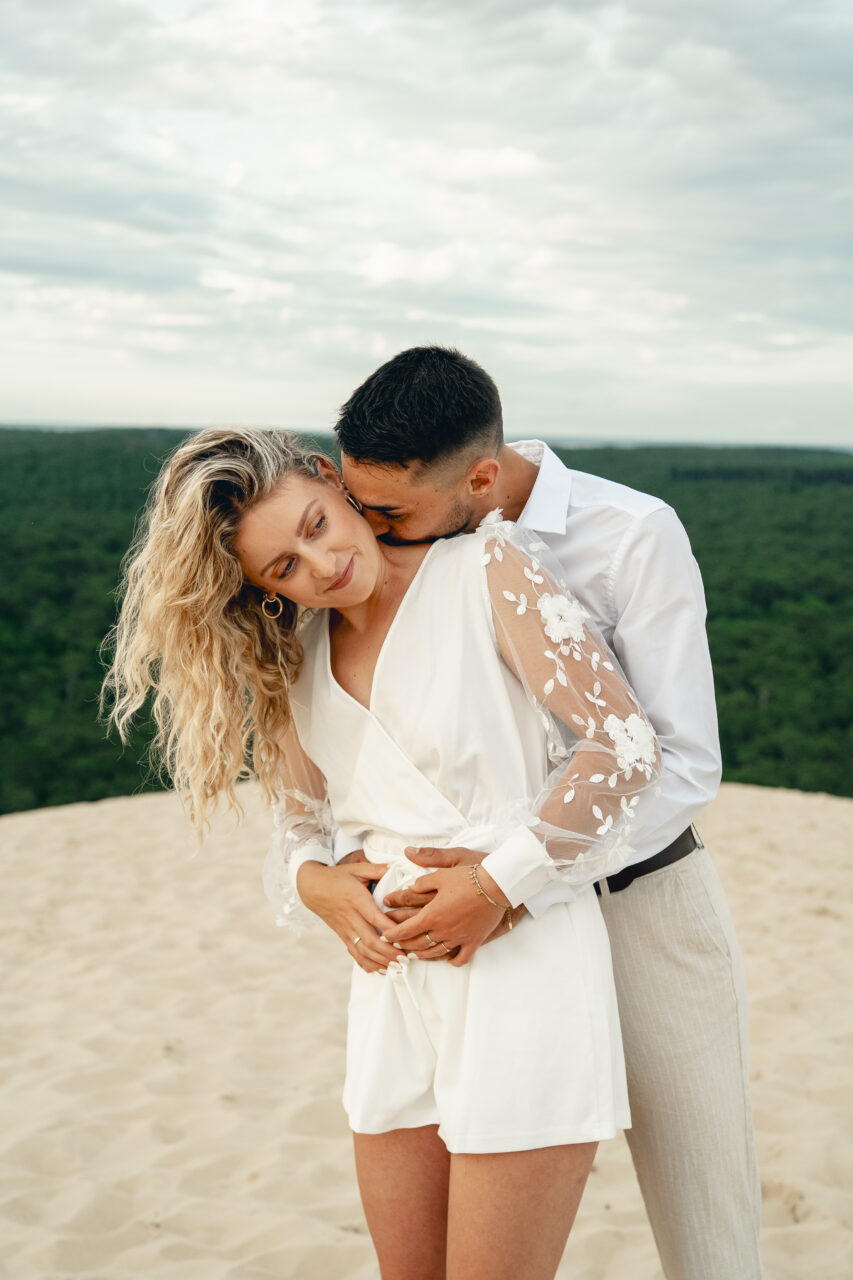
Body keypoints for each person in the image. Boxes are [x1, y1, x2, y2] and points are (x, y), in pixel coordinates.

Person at [102, 425, 663, 1280]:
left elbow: (621, 749)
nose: (321, 565)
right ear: (258, 586)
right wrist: (312, 880)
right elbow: (300, 815)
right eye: (283, 566)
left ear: (331, 481)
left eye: (316, 525)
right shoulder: (292, 652)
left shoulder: (484, 571)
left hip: (519, 964)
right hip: (391, 986)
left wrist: (496, 883)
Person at [294, 346, 763, 1280]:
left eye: (390, 514)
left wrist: (510, 882)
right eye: (358, 503)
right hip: (473, 942)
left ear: (478, 480)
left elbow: (680, 764)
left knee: (703, 1217)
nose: (369, 531)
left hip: (641, 905)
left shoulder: (630, 533)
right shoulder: (393, 544)